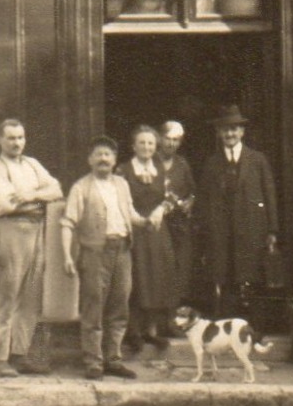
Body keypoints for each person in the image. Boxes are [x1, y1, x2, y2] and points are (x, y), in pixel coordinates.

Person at [0, 118, 63, 377]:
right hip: (10, 230)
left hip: (37, 231)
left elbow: (57, 190)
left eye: (20, 137)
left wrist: (29, 197)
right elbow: (6, 204)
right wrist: (37, 198)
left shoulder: (32, 164)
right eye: (11, 138)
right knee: (6, 295)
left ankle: (19, 354)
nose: (17, 143)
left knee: (31, 296)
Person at [61, 136, 143, 380]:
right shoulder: (81, 188)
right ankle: (94, 362)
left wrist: (147, 221)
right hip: (95, 253)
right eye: (98, 154)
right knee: (93, 308)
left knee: (119, 307)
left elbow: (131, 214)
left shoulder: (122, 184)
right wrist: (67, 255)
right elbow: (68, 223)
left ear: (115, 160)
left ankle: (113, 359)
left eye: (108, 154)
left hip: (122, 251)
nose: (103, 159)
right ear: (90, 160)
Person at [200, 105, 278, 318]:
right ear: (219, 133)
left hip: (252, 231)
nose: (230, 134)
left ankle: (254, 330)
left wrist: (272, 230)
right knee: (224, 281)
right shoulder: (211, 164)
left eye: (234, 129)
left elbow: (269, 195)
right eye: (225, 129)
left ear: (242, 132)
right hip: (222, 234)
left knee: (251, 279)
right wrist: (208, 233)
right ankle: (227, 330)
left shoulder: (257, 160)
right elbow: (205, 204)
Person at [120, 125, 180, 353]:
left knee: (157, 276)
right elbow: (120, 199)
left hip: (156, 230)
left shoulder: (160, 170)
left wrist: (160, 211)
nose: (146, 147)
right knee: (136, 277)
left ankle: (152, 331)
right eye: (142, 143)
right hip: (135, 229)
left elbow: (170, 197)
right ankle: (133, 332)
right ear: (134, 146)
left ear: (156, 147)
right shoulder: (124, 170)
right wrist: (136, 219)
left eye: (150, 143)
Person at [156, 120, 198, 304]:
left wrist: (191, 201)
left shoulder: (182, 164)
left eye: (176, 140)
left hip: (179, 225)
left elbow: (193, 192)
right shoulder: (149, 161)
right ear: (159, 138)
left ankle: (175, 314)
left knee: (180, 268)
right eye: (168, 138)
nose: (171, 143)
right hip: (157, 225)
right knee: (158, 269)